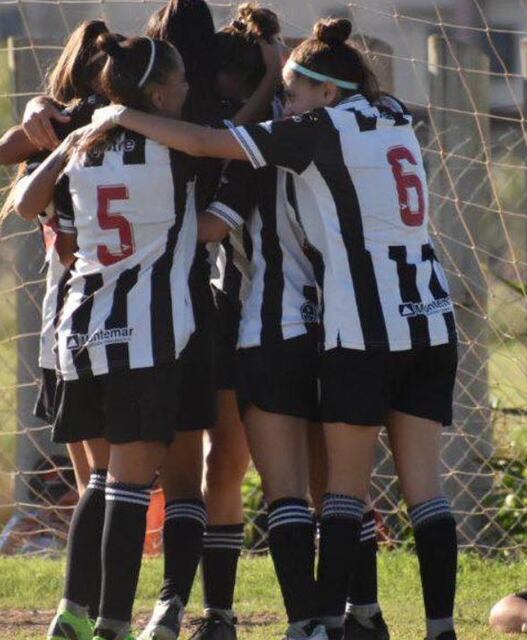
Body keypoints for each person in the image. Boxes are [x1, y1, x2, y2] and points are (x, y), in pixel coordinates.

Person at [87, 16, 460, 640]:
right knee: (398, 490)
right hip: (419, 313)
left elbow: (213, 166)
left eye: (293, 92)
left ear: (320, 93)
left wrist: (112, 119)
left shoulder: (277, 145)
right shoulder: (392, 112)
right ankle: (393, 618)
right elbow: (312, 87)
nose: (282, 105)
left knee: (305, 491)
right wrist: (285, 63)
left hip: (301, 326)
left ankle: (308, 623)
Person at [200, 15, 388, 639]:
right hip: (338, 329)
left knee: (286, 494)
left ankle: (306, 622)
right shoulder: (356, 134)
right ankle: (362, 614)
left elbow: (213, 226)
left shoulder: (252, 151)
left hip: (270, 329)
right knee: (343, 488)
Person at [13, 32, 195, 640]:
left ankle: (71, 612)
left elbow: (22, 202)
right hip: (146, 331)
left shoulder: (84, 146)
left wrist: (61, 141)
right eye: (183, 84)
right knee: (128, 486)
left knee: (96, 480)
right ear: (163, 94)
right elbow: (231, 142)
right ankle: (114, 623)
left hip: (83, 331)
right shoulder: (177, 149)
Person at [136, 4, 284, 638]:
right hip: (219, 309)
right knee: (215, 467)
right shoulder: (240, 125)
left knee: (202, 467)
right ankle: (194, 608)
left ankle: (192, 609)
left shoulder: (167, 122)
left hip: (203, 309)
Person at [0, 20, 119, 640]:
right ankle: (88, 610)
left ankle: (88, 605)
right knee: (108, 481)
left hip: (60, 329)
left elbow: (14, 178)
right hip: (116, 325)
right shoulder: (128, 131)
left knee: (91, 480)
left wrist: (31, 122)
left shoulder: (54, 137)